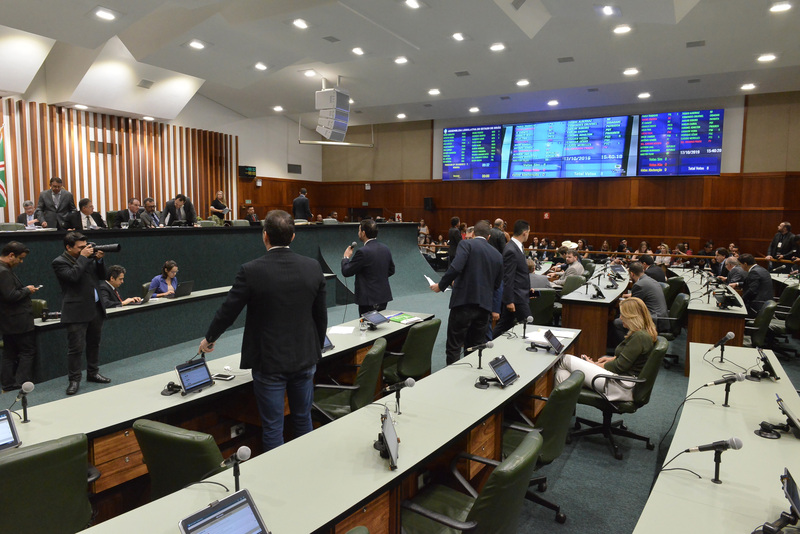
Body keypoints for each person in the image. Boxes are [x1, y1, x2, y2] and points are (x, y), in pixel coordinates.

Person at [199, 210, 326, 452]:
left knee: (273, 428)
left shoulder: (251, 270)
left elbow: (228, 311)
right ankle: (307, 466)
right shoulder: (313, 267)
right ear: (293, 236)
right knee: (303, 419)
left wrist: (210, 338)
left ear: (264, 235)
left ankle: (276, 472)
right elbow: (320, 316)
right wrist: (315, 350)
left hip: (269, 362)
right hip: (305, 357)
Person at [555, 297, 657, 402]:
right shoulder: (643, 334)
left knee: (564, 359)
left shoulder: (639, 337)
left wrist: (594, 365)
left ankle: (555, 408)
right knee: (562, 375)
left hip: (621, 385)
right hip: (623, 382)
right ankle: (561, 410)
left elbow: (618, 367)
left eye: (623, 315)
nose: (620, 318)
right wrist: (612, 359)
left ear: (631, 317)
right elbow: (632, 360)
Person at [430, 220, 502, 365]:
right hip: (484, 307)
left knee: (454, 346)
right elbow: (497, 284)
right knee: (475, 347)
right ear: (488, 237)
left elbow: (456, 268)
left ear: (473, 233)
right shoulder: (497, 255)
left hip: (463, 303)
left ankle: (452, 376)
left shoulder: (466, 244)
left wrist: (441, 286)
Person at [52, 232, 111, 395]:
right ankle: (74, 380)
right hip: (76, 311)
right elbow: (73, 277)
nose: (85, 249)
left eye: (85, 246)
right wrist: (84, 258)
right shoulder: (59, 262)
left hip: (95, 308)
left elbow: (103, 276)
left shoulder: (87, 258)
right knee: (76, 348)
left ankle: (93, 373)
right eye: (80, 247)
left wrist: (99, 260)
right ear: (68, 247)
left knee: (94, 343)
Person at [0, 242, 40, 391]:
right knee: (26, 351)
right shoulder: (3, 271)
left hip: (7, 320)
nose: (21, 262)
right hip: (18, 320)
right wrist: (27, 290)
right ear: (11, 255)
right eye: (20, 258)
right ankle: (20, 384)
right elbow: (10, 296)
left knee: (9, 353)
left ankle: (7, 384)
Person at [341, 219, 395, 315]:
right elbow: (391, 270)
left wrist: (346, 257)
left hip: (368, 299)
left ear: (363, 233)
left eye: (359, 230)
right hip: (383, 296)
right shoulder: (385, 248)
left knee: (367, 323)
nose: (358, 233)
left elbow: (346, 271)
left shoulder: (362, 252)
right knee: (382, 323)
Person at [492, 220, 531, 338]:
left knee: (504, 325)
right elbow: (508, 277)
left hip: (518, 294)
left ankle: (487, 344)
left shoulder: (517, 247)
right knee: (528, 325)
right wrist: (509, 301)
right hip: (516, 297)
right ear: (524, 232)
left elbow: (519, 273)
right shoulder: (511, 250)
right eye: (529, 232)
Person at [616, 261, 669, 335]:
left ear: (632, 274)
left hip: (654, 319)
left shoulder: (639, 285)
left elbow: (632, 307)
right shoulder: (648, 280)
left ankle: (629, 342)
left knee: (618, 322)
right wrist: (627, 296)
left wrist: (620, 303)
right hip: (661, 317)